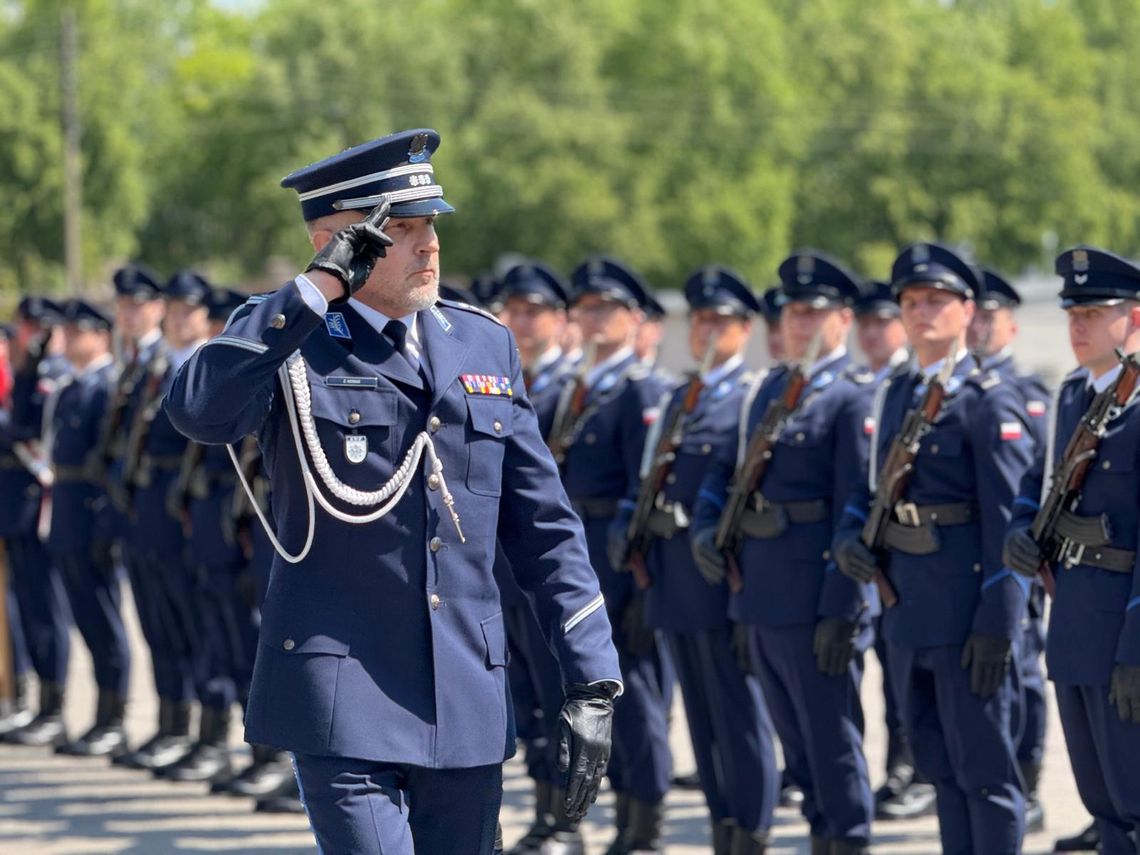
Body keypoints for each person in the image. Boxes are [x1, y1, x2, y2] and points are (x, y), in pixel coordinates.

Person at [165, 128, 621, 855]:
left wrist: (592, 676)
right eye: (402, 230)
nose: (429, 245)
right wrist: (313, 289)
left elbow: (544, 527)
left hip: (464, 694)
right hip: (342, 694)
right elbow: (199, 410)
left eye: (432, 225)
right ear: (340, 241)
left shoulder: (482, 343)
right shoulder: (290, 337)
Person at [834, 242, 1034, 855]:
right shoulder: (896, 393)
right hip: (907, 615)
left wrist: (1000, 624)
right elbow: (870, 492)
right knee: (939, 770)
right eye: (912, 301)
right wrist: (849, 538)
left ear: (966, 310)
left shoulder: (986, 397)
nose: (923, 311)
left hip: (967, 619)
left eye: (938, 301)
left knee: (986, 776)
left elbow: (1011, 524)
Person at [691, 251, 876, 855]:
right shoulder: (771, 388)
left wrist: (843, 610)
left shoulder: (852, 398)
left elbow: (858, 508)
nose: (801, 323)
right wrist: (706, 524)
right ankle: (823, 833)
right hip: (760, 595)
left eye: (815, 312)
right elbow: (724, 470)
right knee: (797, 749)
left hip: (817, 599)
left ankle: (846, 838)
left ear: (843, 319)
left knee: (832, 742)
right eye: (794, 312)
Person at [621, 266, 780, 854]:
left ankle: (753, 831)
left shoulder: (748, 399)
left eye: (721, 321)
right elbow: (647, 485)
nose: (707, 331)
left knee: (740, 718)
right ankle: (722, 829)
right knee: (703, 722)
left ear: (745, 328)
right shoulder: (677, 398)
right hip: (672, 580)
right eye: (700, 320)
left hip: (722, 584)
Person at [1003, 246, 1140, 855]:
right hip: (1076, 623)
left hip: (1125, 634)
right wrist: (1019, 529)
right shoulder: (1072, 398)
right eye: (1072, 313)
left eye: (1094, 312)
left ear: (1134, 318)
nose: (1077, 325)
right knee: (1103, 803)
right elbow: (1037, 485)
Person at [558, 256, 672, 854]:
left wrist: (636, 580)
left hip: (620, 560)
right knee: (599, 693)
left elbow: (643, 489)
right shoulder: (582, 385)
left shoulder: (640, 388)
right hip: (581, 553)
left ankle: (646, 825)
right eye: (586, 308)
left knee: (639, 696)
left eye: (607, 308)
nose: (594, 318)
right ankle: (624, 818)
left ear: (633, 318)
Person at [496, 260, 587, 855]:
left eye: (535, 312)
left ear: (559, 320)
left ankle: (569, 823)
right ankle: (543, 811)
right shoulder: (497, 381)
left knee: (560, 698)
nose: (523, 323)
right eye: (516, 311)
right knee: (524, 696)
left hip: (551, 567)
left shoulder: (575, 389)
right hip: (500, 570)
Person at [159, 287, 257, 784]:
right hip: (208, 523)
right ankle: (217, 739)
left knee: (247, 642)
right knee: (215, 637)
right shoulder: (212, 382)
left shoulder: (252, 382)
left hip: (238, 524)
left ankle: (266, 754)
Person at [970, 267, 1052, 833]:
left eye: (989, 315)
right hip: (970, 564)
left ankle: (1030, 780)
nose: (979, 325)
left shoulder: (1026, 396)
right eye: (972, 314)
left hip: (1016, 564)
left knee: (1022, 675)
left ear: (1011, 325)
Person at [851, 281, 936, 821]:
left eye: (884, 320)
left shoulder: (916, 384)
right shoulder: (871, 386)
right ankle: (899, 767)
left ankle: (914, 769)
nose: (873, 331)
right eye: (867, 322)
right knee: (889, 670)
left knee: (911, 673)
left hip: (918, 561)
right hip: (877, 556)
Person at [46, 299, 133, 757]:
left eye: (79, 330)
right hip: (66, 516)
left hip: (90, 514)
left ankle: (114, 717)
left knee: (104, 619)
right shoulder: (72, 387)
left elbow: (108, 460)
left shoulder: (104, 388)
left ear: (100, 335)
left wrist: (105, 523)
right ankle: (100, 715)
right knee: (84, 617)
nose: (70, 338)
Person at [2, 297, 72, 747]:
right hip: (14, 507)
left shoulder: (58, 376)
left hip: (39, 505)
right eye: (25, 325)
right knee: (27, 609)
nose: (30, 334)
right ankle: (36, 700)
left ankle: (54, 704)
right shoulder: (30, 374)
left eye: (38, 327)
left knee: (48, 609)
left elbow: (24, 433)